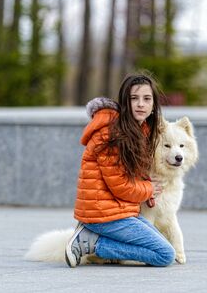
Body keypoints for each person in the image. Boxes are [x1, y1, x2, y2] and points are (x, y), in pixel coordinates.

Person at [65, 72, 175, 268]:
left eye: (146, 99)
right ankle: (91, 243)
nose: (140, 104)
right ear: (125, 102)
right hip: (103, 214)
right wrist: (149, 189)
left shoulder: (139, 131)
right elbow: (121, 186)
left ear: (153, 105)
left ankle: (93, 238)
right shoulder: (112, 135)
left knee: (161, 245)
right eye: (134, 98)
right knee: (164, 255)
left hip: (117, 212)